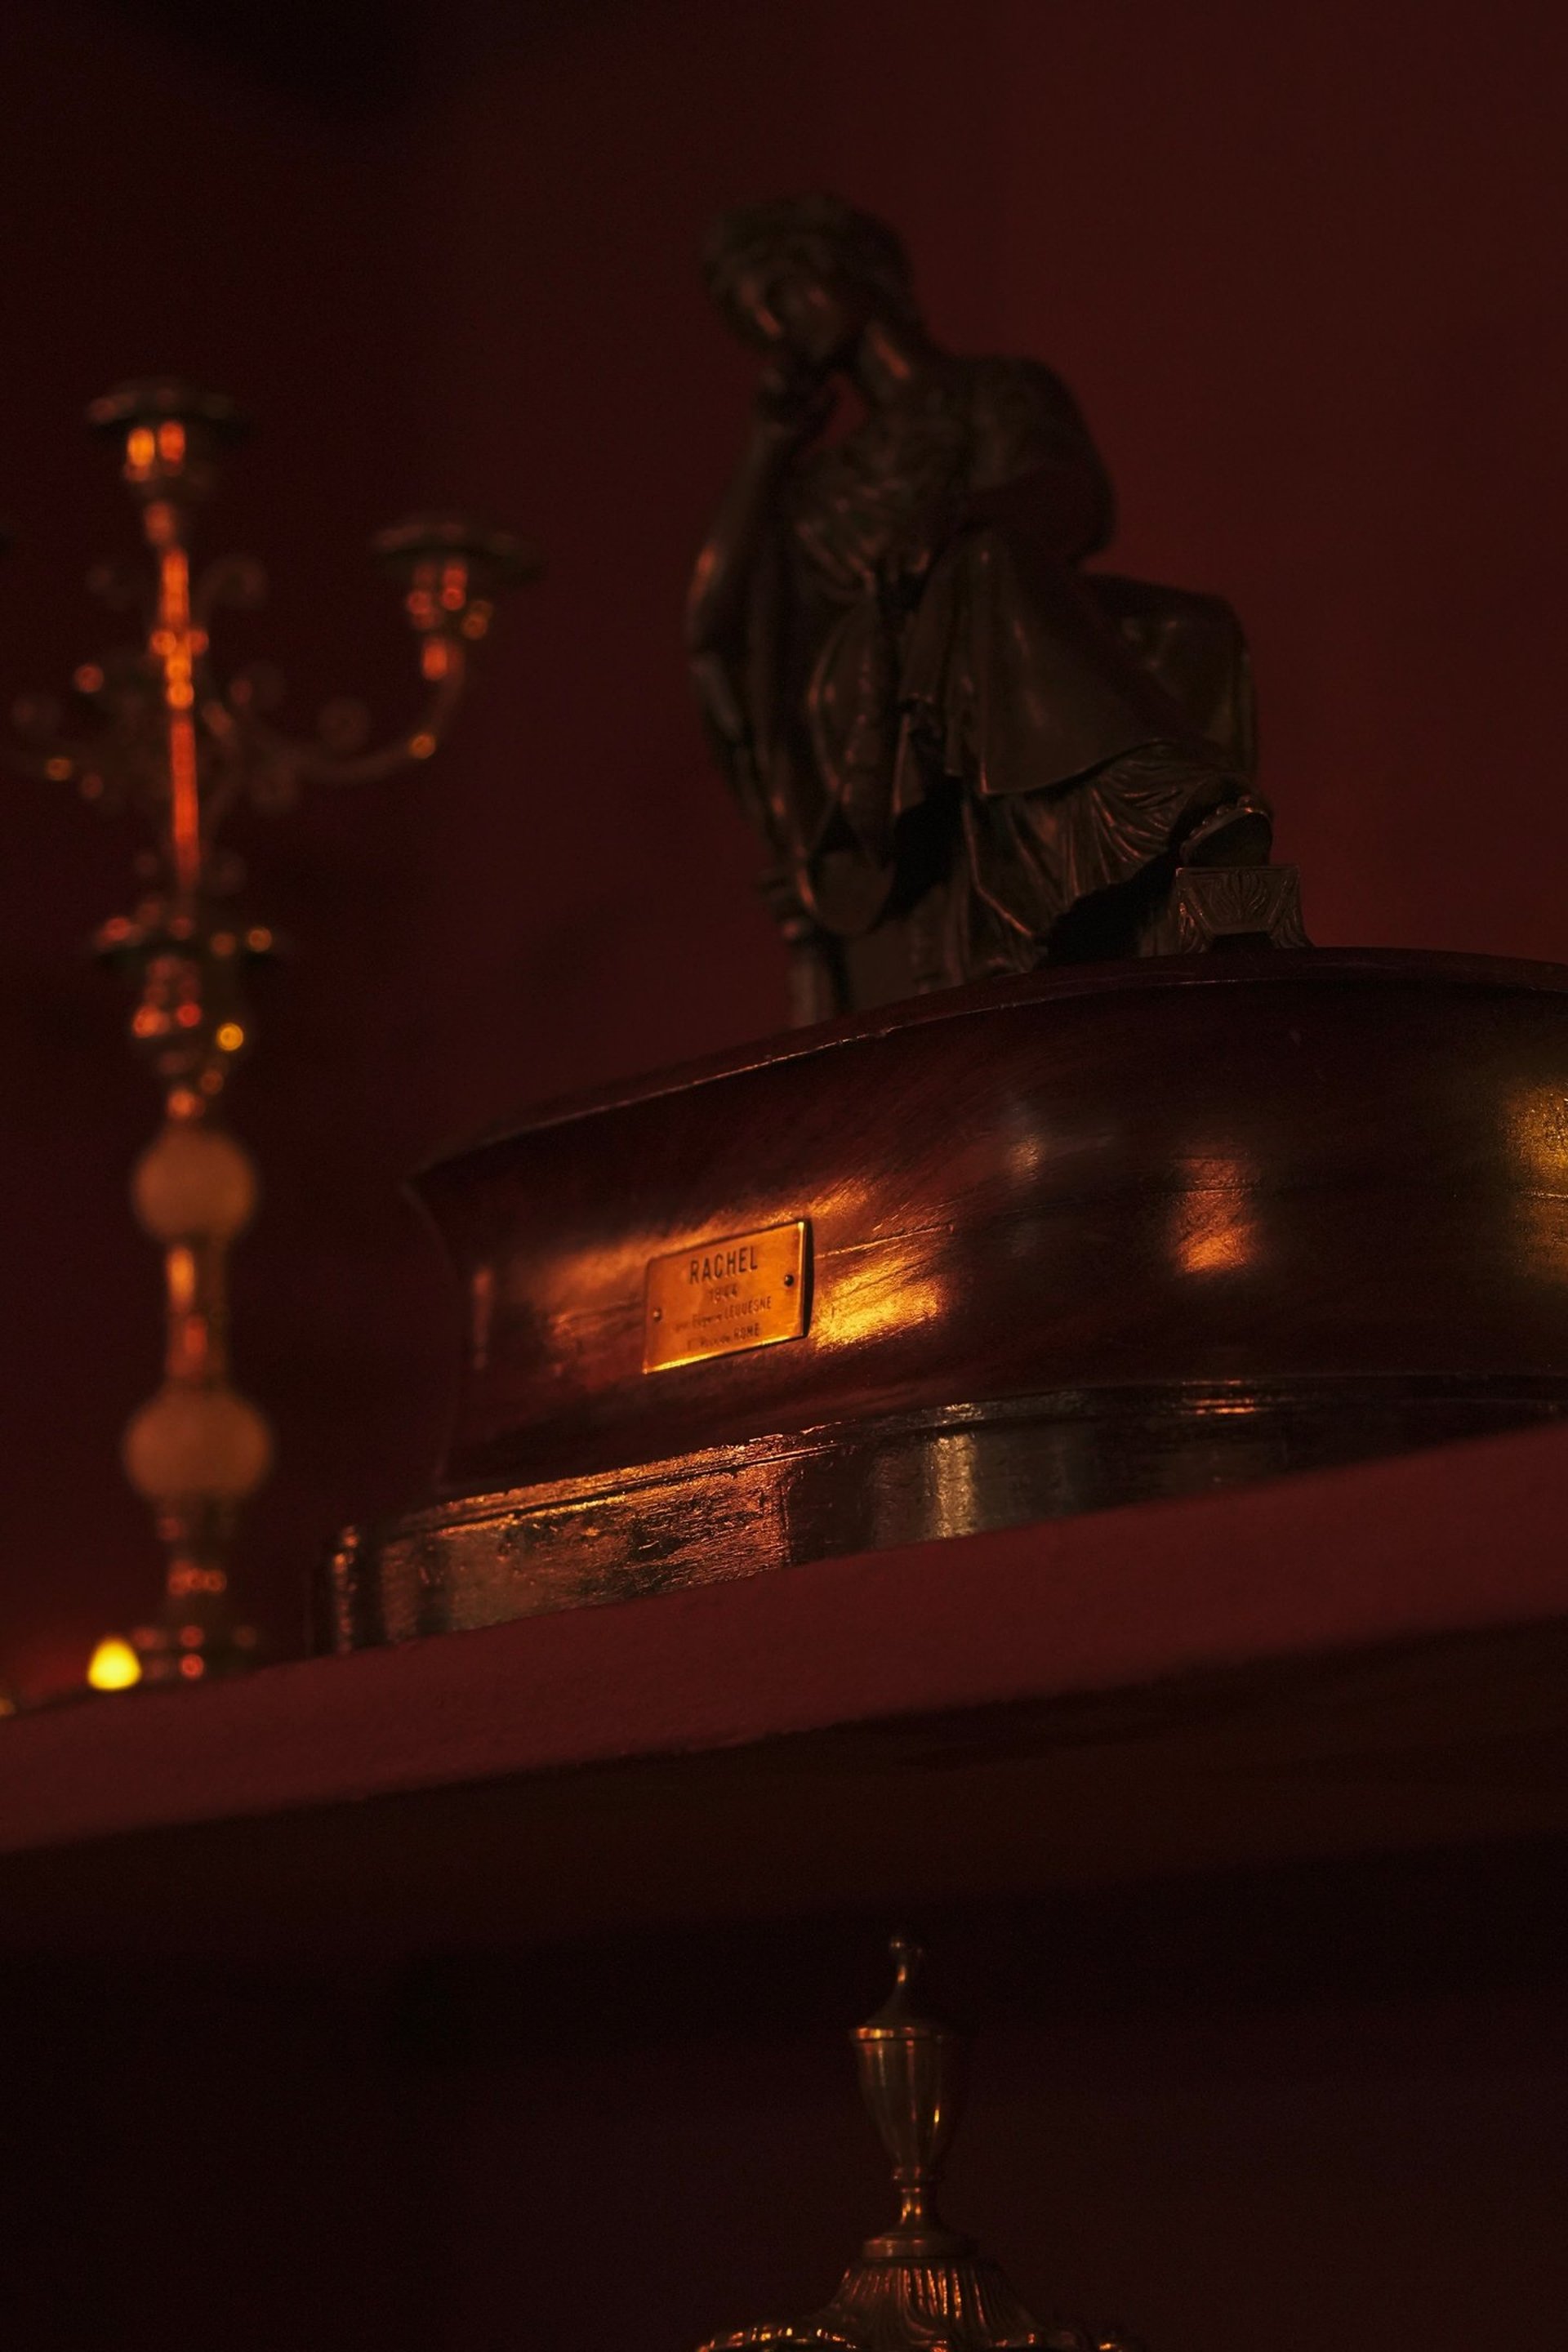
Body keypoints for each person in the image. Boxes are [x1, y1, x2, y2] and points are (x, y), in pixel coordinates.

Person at [688, 194, 1272, 1015]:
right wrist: (767, 449)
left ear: (854, 270)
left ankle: (1129, 852)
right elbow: (714, 629)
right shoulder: (811, 487)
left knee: (1167, 622)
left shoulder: (998, 391)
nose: (780, 334)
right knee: (983, 563)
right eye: (760, 326)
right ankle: (1154, 800)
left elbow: (1070, 498)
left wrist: (958, 521)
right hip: (870, 696)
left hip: (990, 618)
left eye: (785, 295)